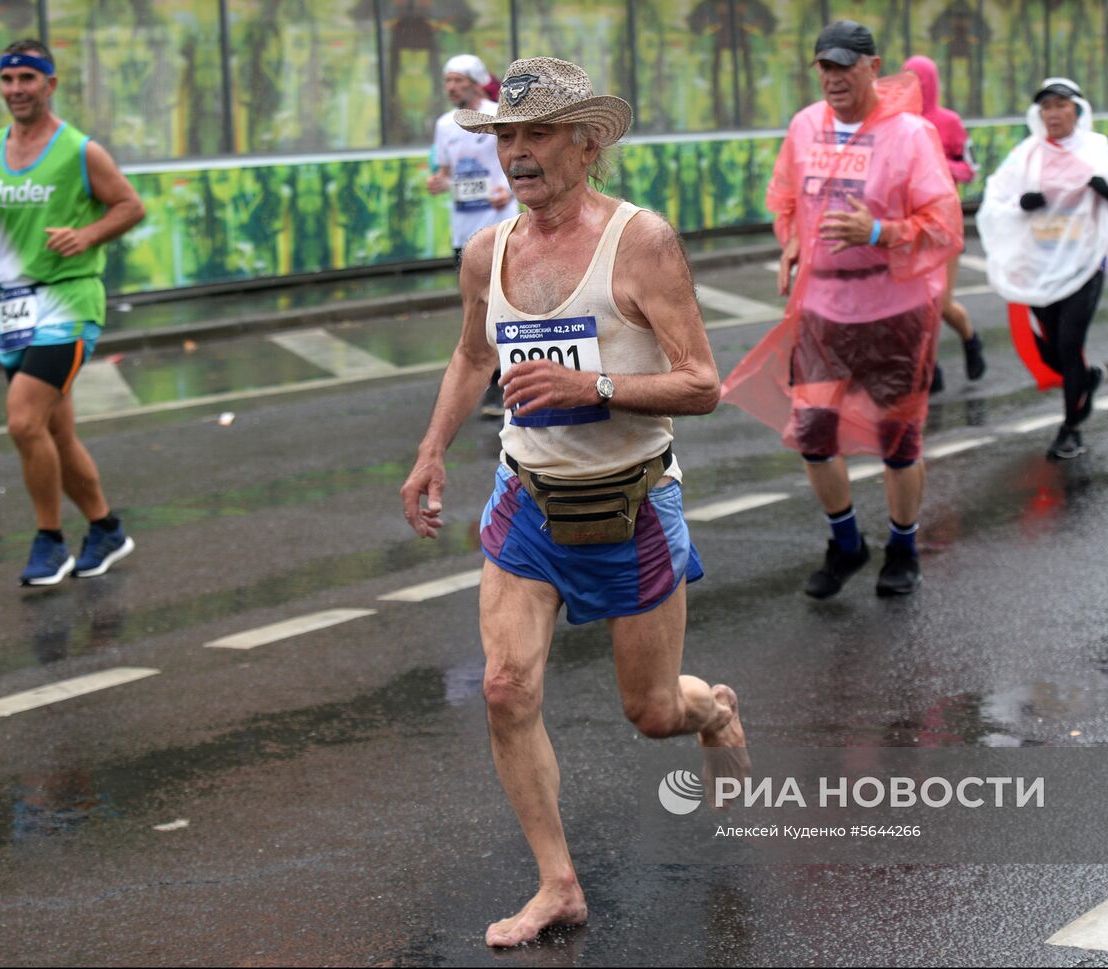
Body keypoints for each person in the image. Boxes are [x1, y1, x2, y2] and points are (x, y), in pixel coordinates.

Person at [399, 57, 746, 948]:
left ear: (588, 142)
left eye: (537, 133)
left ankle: (718, 712)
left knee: (654, 710)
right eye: (505, 136)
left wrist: (592, 387)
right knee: (506, 687)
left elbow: (704, 383)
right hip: (528, 501)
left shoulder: (641, 243)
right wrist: (433, 451)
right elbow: (473, 355)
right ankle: (558, 884)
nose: (516, 154)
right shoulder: (489, 251)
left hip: (631, 502)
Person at [722, 21, 963, 598]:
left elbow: (944, 224)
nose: (831, 78)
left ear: (873, 68)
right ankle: (846, 542)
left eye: (842, 67)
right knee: (812, 432)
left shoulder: (911, 135)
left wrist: (879, 229)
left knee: (899, 441)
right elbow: (785, 199)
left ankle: (903, 546)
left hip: (895, 309)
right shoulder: (806, 126)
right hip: (824, 307)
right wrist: (792, 241)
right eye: (823, 68)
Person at [0, 40, 144, 585]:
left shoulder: (80, 150)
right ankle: (106, 529)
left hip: (70, 301)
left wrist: (87, 235)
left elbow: (130, 204)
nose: (16, 90)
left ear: (49, 85)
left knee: (21, 419)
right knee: (54, 434)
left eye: (28, 79)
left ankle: (50, 541)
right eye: (8, 81)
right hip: (12, 309)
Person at [976, 78, 1108, 460]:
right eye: (1046, 107)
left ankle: (1070, 429)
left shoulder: (1096, 151)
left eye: (1060, 105)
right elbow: (996, 199)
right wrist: (1022, 203)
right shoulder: (1027, 154)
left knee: (1069, 343)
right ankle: (1087, 378)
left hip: (1085, 262)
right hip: (1041, 264)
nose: (1053, 113)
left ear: (1077, 110)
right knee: (1050, 349)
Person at [426, 54, 518, 418]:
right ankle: (488, 379)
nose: (451, 87)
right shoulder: (444, 125)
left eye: (457, 81)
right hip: (463, 234)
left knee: (503, 308)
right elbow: (448, 173)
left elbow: (520, 161)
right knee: (475, 312)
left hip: (499, 229)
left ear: (477, 82)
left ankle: (503, 383)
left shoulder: (501, 114)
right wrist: (439, 182)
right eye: (447, 81)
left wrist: (508, 190)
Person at [903, 55, 986, 390]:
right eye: (906, 78)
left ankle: (969, 338)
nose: (913, 86)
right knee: (911, 302)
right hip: (906, 225)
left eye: (918, 78)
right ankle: (928, 367)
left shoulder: (949, 122)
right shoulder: (896, 120)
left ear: (931, 81)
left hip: (944, 224)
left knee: (939, 302)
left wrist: (937, 165)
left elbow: (970, 169)